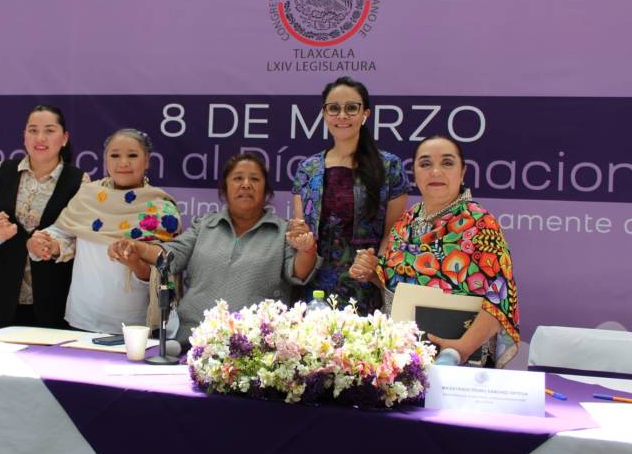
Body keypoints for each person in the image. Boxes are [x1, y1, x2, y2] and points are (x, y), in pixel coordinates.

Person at [110, 152, 320, 347]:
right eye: (238, 178)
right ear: (224, 189)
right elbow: (170, 255)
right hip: (192, 341)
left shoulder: (282, 232)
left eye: (255, 179)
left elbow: (299, 273)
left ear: (266, 191)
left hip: (253, 349)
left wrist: (307, 248)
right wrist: (137, 247)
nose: (246, 185)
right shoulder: (204, 225)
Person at [350, 136, 520, 367]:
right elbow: (400, 287)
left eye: (447, 163)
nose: (436, 172)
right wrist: (372, 272)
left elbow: (501, 296)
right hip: (403, 356)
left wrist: (460, 349)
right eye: (425, 164)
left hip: (459, 361)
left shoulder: (480, 222)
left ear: (462, 173)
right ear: (415, 173)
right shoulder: (406, 221)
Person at [36, 129, 181, 334]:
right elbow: (61, 232)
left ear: (147, 160)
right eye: (114, 155)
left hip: (135, 325)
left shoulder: (161, 210)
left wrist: (135, 263)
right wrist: (45, 242)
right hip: (82, 317)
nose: (123, 163)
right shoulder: (87, 196)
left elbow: (164, 272)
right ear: (105, 159)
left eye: (132, 155)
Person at [291, 76, 409, 314]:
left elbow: (393, 233)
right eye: (334, 108)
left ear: (365, 114)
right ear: (324, 114)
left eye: (351, 108)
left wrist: (375, 269)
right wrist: (300, 239)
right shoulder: (308, 169)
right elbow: (303, 232)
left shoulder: (389, 167)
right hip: (316, 293)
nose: (342, 115)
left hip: (367, 289)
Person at [0, 105, 85, 328]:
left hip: (55, 295)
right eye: (33, 130)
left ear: (64, 138)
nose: (40, 138)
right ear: (24, 136)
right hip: (6, 293)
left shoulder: (79, 181)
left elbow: (80, 237)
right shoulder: (3, 170)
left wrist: (52, 247)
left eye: (49, 130)